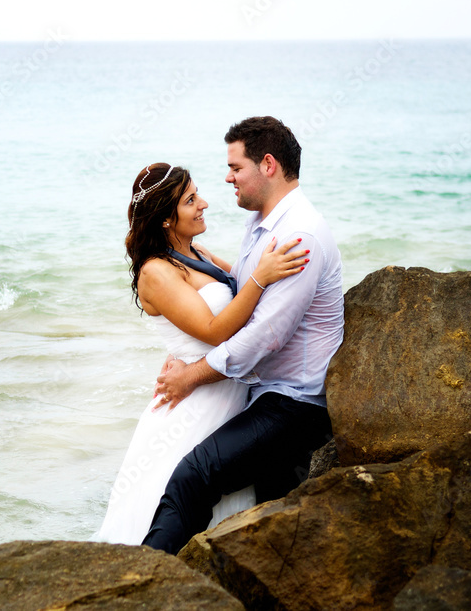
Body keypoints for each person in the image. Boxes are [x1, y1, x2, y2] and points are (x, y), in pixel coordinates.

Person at [141, 116, 344, 555]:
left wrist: (191, 375)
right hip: (262, 393)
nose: (227, 177)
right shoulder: (262, 223)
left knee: (192, 478)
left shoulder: (298, 236)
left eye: (235, 168)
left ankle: (145, 580)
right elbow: (240, 292)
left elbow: (264, 336)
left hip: (294, 403)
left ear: (267, 165)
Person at [93, 161, 309, 545]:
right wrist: (263, 275)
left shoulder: (199, 253)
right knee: (177, 506)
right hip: (194, 405)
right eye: (191, 200)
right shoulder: (156, 272)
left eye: (198, 194)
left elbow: (241, 288)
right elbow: (214, 330)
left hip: (226, 391)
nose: (204, 203)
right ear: (165, 219)